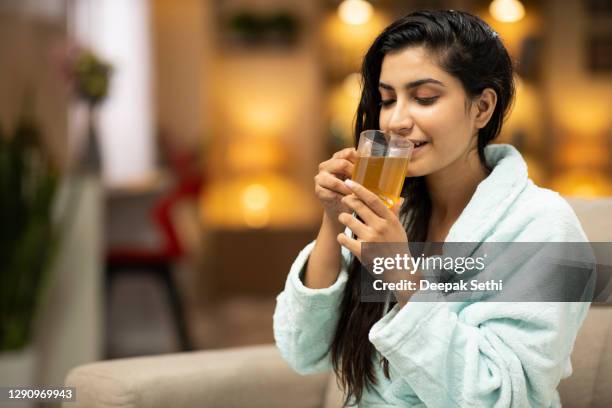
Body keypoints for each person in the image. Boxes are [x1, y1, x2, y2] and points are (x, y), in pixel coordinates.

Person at [273, 9, 592, 407]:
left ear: (482, 108)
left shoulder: (542, 225)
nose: (397, 120)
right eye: (387, 100)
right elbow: (304, 350)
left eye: (424, 98)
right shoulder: (391, 209)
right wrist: (331, 217)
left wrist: (403, 277)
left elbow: (505, 398)